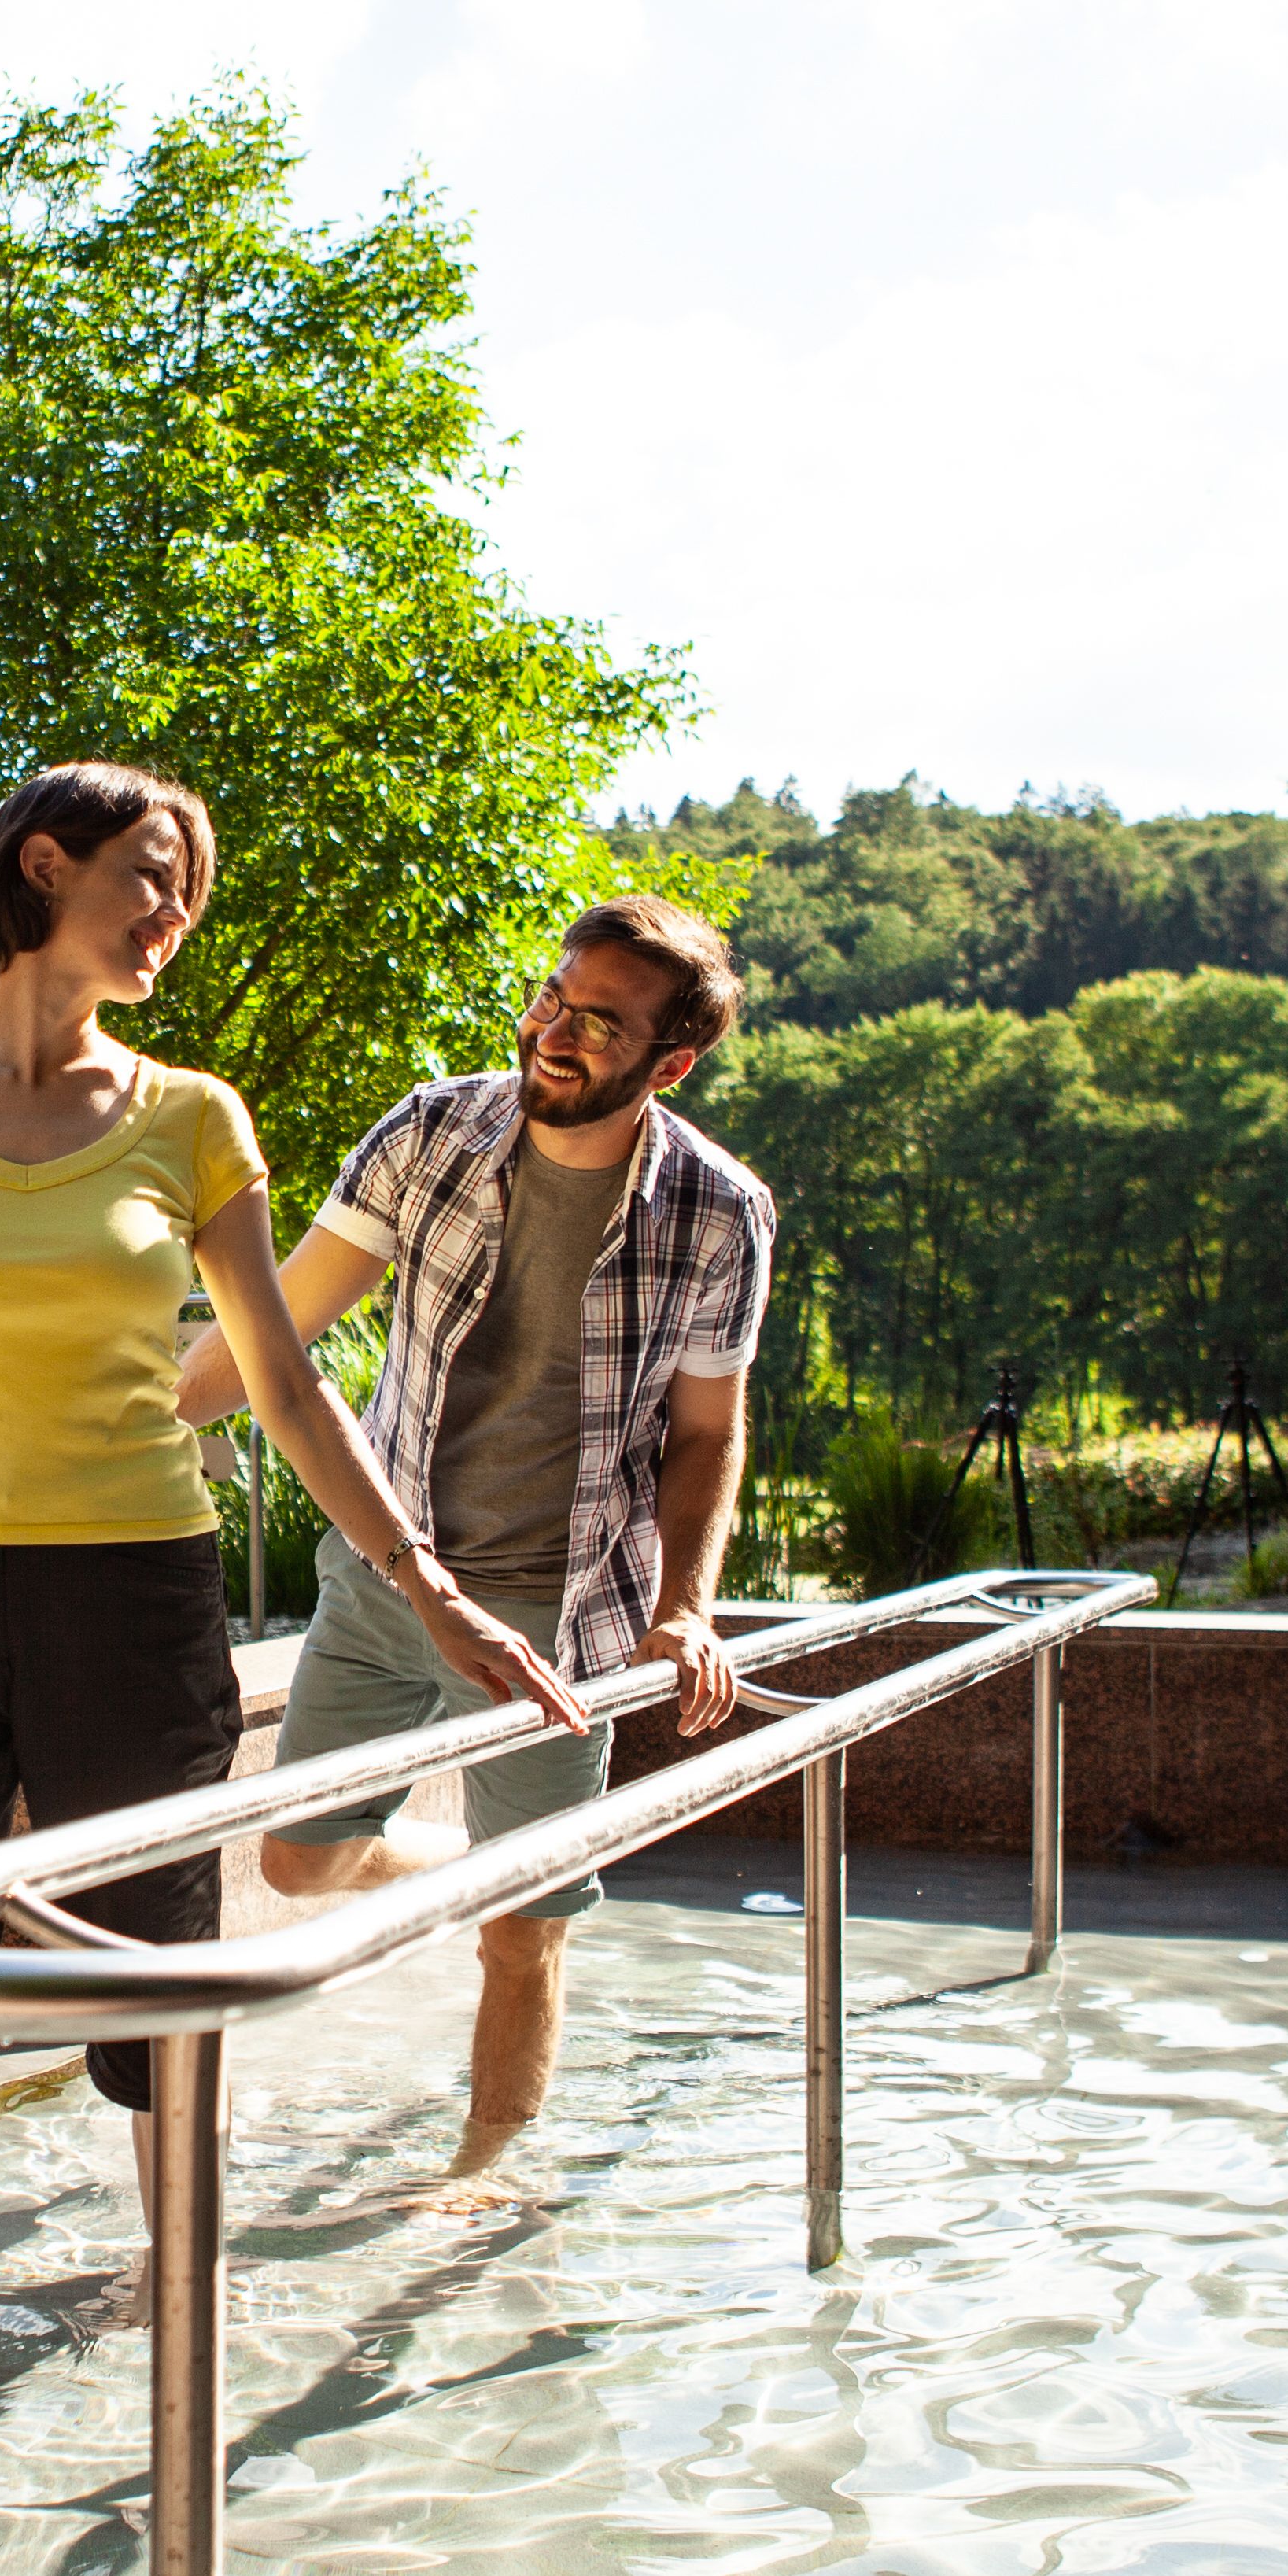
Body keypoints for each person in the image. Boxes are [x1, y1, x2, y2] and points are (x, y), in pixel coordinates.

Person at [0, 760, 585, 2497]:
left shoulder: (192, 1118)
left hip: (133, 1601)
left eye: (188, 889)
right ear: (46, 866)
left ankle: (184, 2377)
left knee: (155, 2003)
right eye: (151, 875)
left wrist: (424, 1584)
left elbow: (282, 1377)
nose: (175, 916)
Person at [173, 893, 773, 2187]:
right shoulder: (433, 1132)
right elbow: (277, 1330)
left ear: (670, 1064)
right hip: (391, 1571)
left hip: (565, 1615)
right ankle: (459, 1864)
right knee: (295, 1862)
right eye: (555, 998)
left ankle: (479, 2186)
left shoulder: (719, 1213)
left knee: (524, 1936)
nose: (554, 1033)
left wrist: (687, 1608)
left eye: (599, 1025)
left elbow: (706, 1432)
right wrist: (132, 1410)